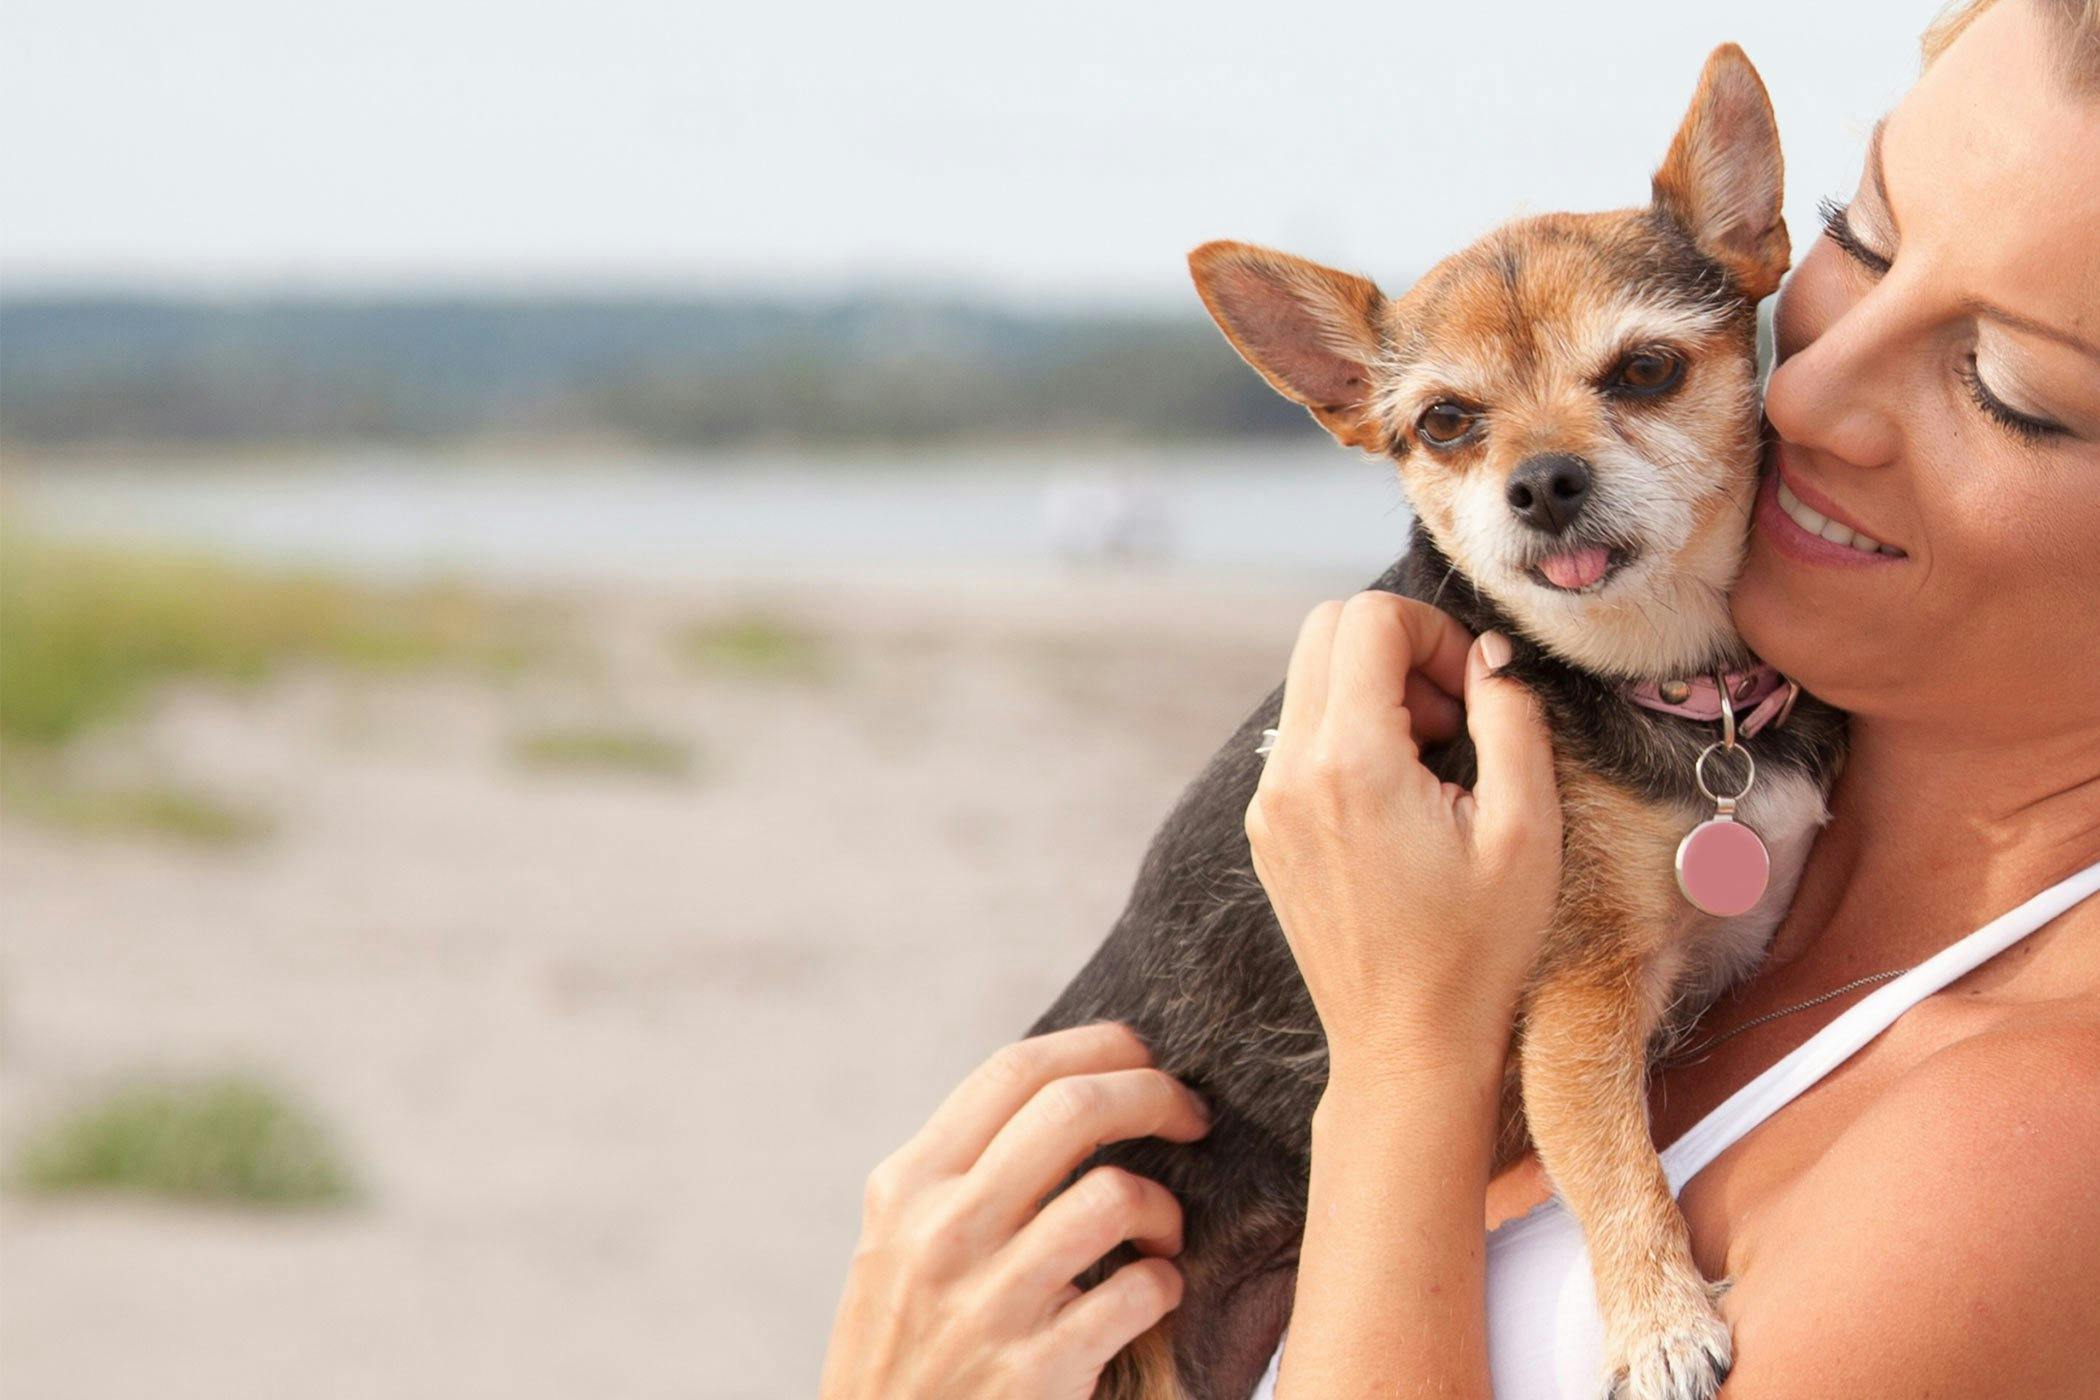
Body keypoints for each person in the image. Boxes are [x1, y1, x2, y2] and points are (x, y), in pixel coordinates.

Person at [818, 0, 2100, 1393]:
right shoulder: (1499, 762)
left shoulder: (2017, 1150)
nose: (1809, 388)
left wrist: (1408, 1063)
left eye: (2015, 385)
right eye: (1868, 231)